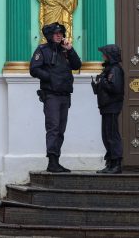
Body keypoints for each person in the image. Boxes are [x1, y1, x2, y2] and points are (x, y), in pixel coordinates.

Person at [29, 22, 82, 173]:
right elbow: (34, 69)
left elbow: (77, 65)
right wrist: (50, 77)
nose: (59, 35)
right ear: (50, 35)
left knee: (60, 130)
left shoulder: (65, 50)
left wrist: (70, 50)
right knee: (53, 128)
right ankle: (52, 161)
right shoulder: (42, 50)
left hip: (65, 95)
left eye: (61, 33)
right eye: (56, 33)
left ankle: (56, 161)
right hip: (51, 95)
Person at [91, 44, 125, 174]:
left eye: (104, 54)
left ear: (110, 55)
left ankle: (116, 164)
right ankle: (110, 163)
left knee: (112, 135)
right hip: (106, 106)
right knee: (106, 135)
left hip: (112, 106)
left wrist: (102, 82)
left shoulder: (115, 69)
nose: (102, 56)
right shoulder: (109, 69)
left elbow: (115, 88)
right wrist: (98, 84)